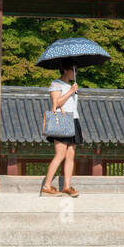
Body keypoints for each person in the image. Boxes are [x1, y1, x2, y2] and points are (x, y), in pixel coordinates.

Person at [41, 62, 82, 196]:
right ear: (65, 69)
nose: (75, 73)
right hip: (62, 119)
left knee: (71, 154)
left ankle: (67, 186)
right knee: (60, 154)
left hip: (73, 119)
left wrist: (78, 125)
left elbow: (73, 106)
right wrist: (70, 92)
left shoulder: (72, 86)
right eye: (73, 70)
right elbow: (56, 103)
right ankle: (47, 185)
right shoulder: (56, 84)